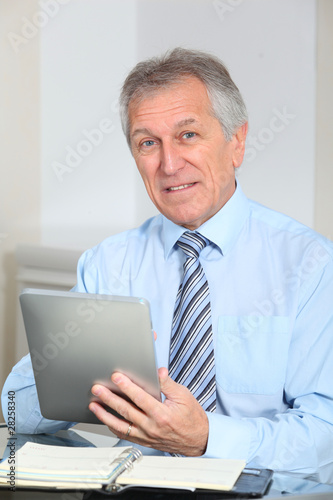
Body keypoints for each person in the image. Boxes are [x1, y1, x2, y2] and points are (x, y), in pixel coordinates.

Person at [2, 48, 333, 481]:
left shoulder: (310, 263)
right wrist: (84, 385)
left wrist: (207, 437)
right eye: (148, 143)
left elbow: (325, 434)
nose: (169, 164)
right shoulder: (109, 263)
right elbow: (14, 408)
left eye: (188, 135)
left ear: (237, 142)